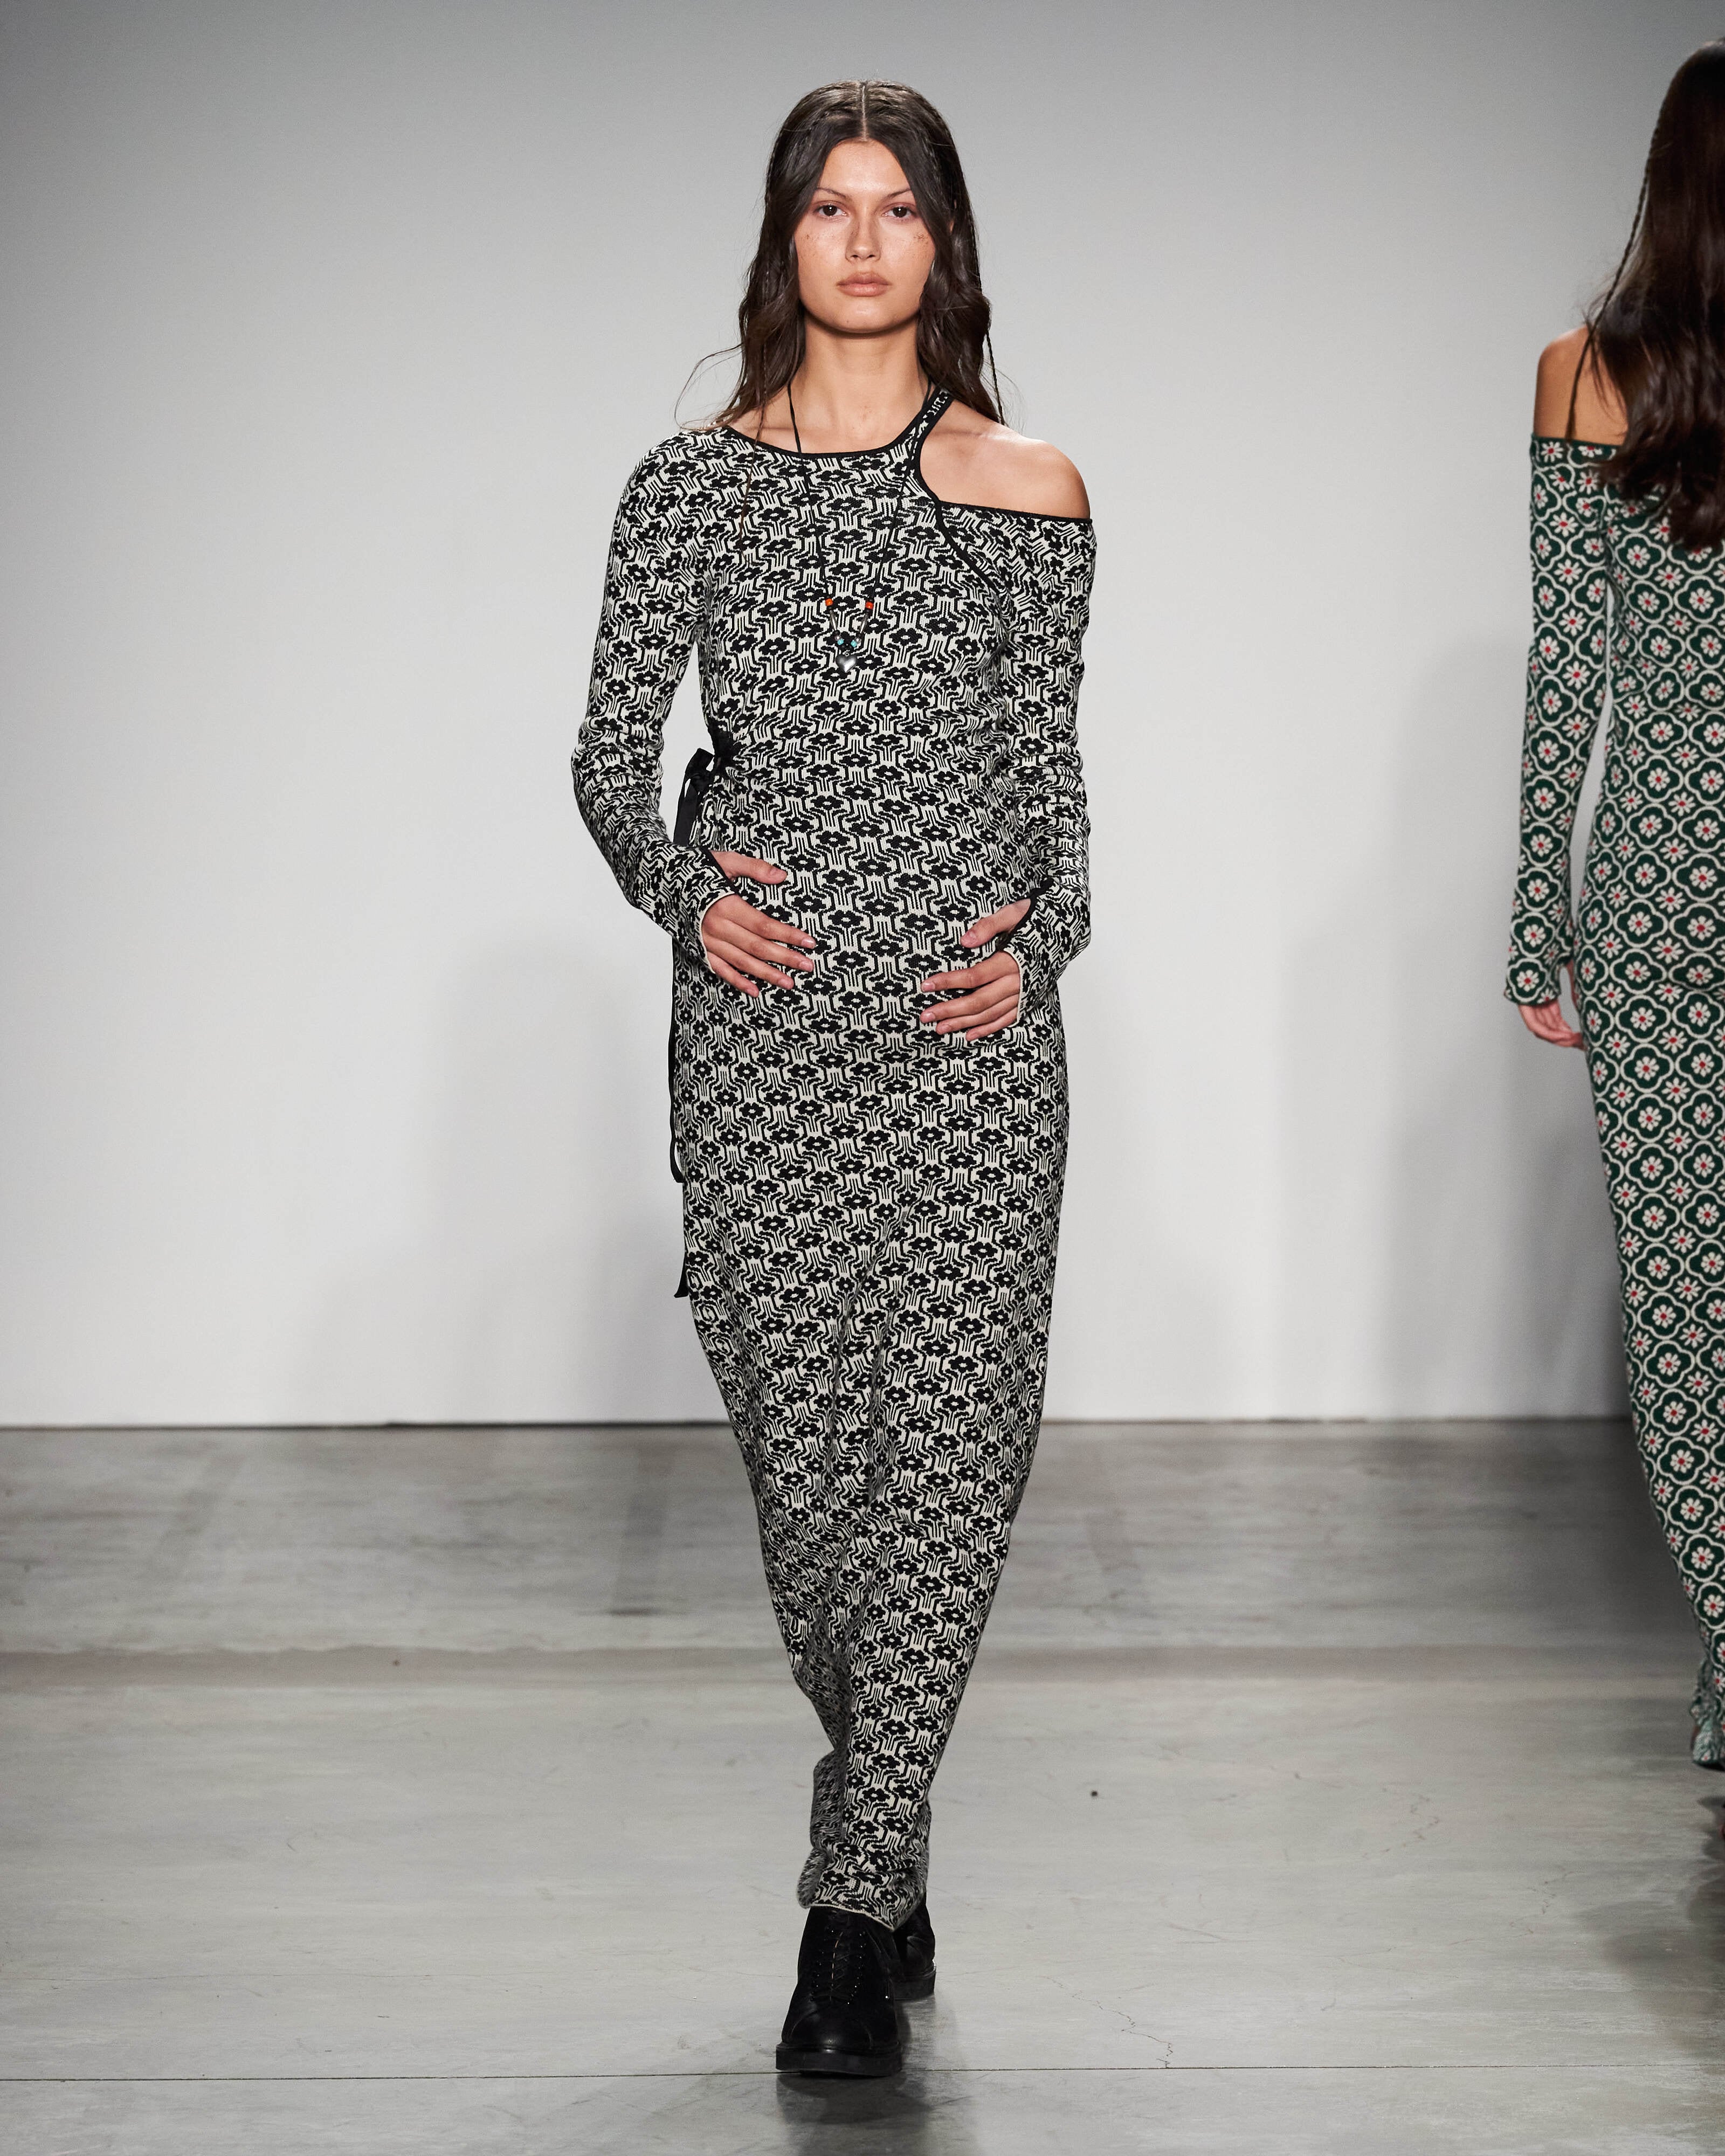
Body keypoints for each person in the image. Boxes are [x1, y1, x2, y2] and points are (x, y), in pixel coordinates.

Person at [571, 81, 1095, 2074]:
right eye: (829, 206)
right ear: (783, 237)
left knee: (951, 1468)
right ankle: (891, 1819)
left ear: (944, 243)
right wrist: (688, 893)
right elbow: (609, 762)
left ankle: (847, 1920)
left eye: (898, 208)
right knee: (815, 1510)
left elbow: (1056, 789)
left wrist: (1044, 942)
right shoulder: (687, 489)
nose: (863, 241)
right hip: (765, 1056)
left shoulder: (1030, 487)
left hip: (973, 1053)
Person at [1509, 41, 1725, 1778]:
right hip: (1662, 897)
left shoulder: (1586, 375)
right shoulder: (1583, 372)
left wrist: (1537, 923)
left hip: (1655, 887)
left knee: (1683, 1308)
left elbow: (1567, 667)